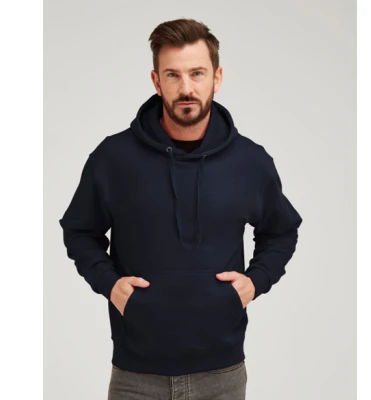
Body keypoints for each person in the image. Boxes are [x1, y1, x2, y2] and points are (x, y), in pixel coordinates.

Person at [59, 18, 303, 400]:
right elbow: (79, 231)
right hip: (135, 378)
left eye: (197, 73)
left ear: (217, 78)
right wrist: (110, 285)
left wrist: (255, 282)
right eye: (173, 75)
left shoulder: (250, 162)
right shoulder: (113, 158)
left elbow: (281, 230)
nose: (186, 88)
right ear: (156, 81)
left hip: (222, 377)